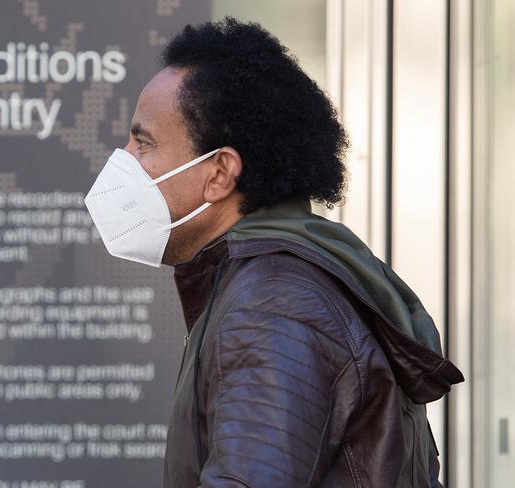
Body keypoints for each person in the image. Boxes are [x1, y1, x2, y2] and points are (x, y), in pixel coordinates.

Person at [84, 16, 464, 488]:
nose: (124, 160)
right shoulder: (270, 284)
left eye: (143, 143)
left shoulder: (273, 305)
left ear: (220, 172)